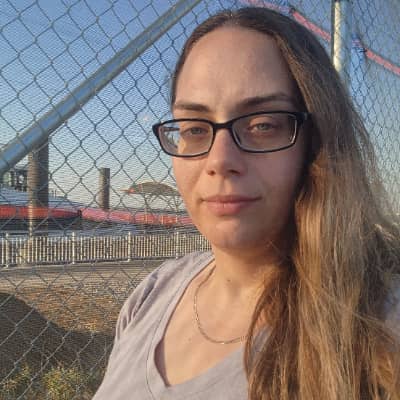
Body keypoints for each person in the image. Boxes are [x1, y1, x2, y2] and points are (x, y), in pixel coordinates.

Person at [93, 6, 400, 400]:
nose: (220, 160)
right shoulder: (153, 294)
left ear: (316, 142)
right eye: (194, 129)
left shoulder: (380, 332)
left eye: (263, 125)